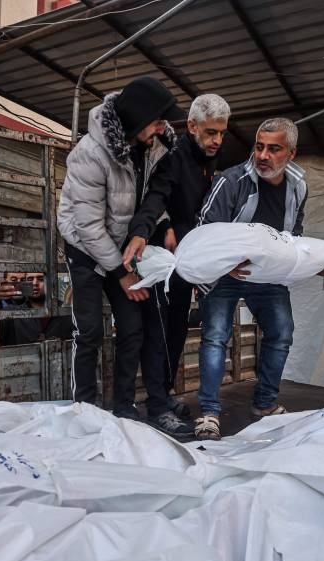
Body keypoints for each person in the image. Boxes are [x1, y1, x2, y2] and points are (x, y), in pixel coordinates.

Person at [57, 75, 184, 422]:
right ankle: (83, 408)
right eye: (158, 119)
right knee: (90, 332)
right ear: (139, 117)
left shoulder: (154, 146)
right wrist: (122, 274)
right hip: (85, 247)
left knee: (132, 328)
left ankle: (123, 407)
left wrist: (165, 223)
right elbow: (88, 226)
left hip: (120, 247)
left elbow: (146, 197)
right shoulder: (90, 154)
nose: (164, 126)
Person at [191, 117, 324, 439]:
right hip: (226, 273)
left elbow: (295, 230)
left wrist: (296, 259)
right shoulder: (231, 181)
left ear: (291, 153)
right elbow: (205, 227)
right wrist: (225, 261)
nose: (263, 155)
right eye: (259, 147)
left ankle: (263, 404)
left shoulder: (298, 186)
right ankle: (209, 413)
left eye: (273, 149)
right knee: (215, 337)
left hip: (268, 274)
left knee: (282, 332)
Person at [120, 93, 231, 434]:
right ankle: (156, 405)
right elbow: (156, 198)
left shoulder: (211, 161)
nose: (217, 140)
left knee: (177, 333)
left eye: (222, 133)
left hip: (189, 264)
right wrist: (145, 230)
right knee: (158, 335)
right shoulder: (174, 158)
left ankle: (164, 393)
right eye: (211, 132)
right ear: (193, 126)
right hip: (162, 265)